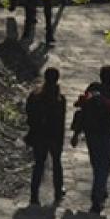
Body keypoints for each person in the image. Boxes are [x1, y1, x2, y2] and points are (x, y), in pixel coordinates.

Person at [71, 64, 110, 214]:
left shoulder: (92, 88)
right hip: (105, 132)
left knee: (95, 161)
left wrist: (76, 133)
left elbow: (83, 109)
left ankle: (101, 189)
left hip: (90, 131)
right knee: (104, 164)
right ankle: (97, 197)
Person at [24, 67, 66, 206]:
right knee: (56, 164)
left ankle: (34, 195)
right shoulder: (60, 98)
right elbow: (61, 121)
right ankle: (58, 192)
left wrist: (32, 129)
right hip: (54, 135)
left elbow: (29, 114)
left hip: (39, 134)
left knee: (39, 165)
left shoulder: (35, 95)